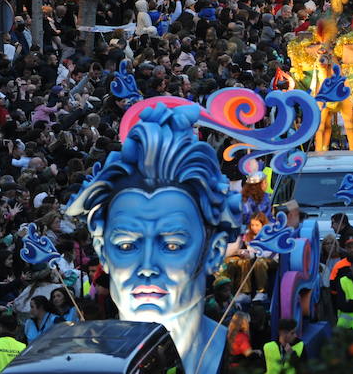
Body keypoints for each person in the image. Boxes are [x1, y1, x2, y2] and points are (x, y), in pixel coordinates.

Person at [65, 104, 243, 374]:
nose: (147, 267)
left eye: (172, 245)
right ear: (102, 252)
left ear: (214, 251)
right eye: (126, 245)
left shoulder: (239, 356)